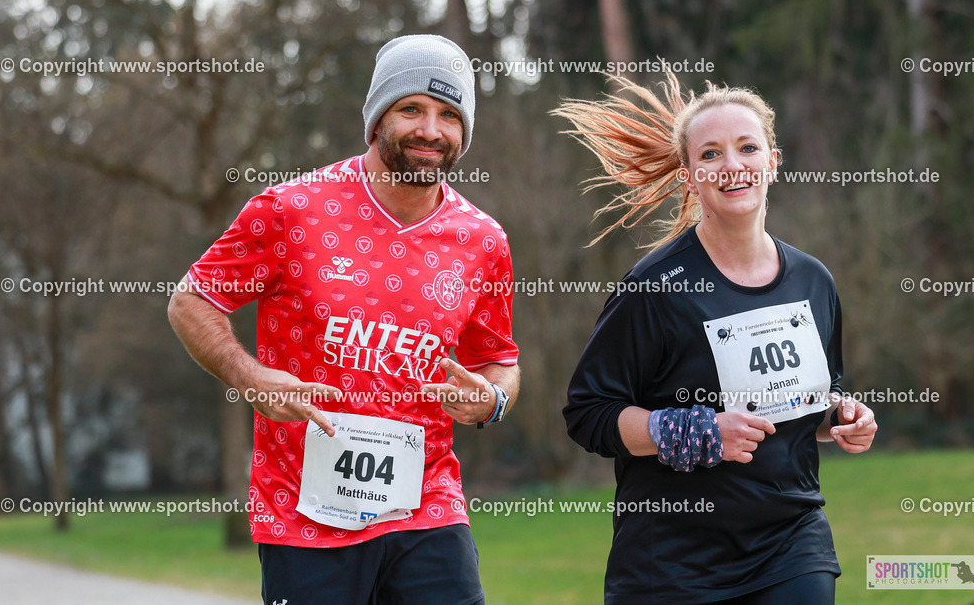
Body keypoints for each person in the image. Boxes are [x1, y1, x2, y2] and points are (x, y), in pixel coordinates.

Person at [168, 34, 520, 605]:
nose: (431, 129)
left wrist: (494, 399)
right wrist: (249, 377)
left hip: (426, 503)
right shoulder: (291, 210)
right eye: (411, 109)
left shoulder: (483, 241)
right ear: (377, 119)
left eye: (449, 115)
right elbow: (192, 300)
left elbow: (500, 360)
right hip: (303, 511)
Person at [557, 73, 877, 604]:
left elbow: (806, 404)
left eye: (747, 148)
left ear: (773, 161)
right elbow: (588, 414)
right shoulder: (654, 288)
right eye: (711, 154)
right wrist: (698, 431)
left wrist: (840, 416)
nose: (732, 166)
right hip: (672, 561)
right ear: (689, 175)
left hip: (789, 543)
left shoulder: (812, 281)